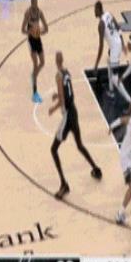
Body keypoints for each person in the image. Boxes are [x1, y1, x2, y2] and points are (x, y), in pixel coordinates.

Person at [48, 52, 102, 198]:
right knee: (79, 145)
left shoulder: (58, 75)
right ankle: (96, 169)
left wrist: (53, 108)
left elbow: (62, 100)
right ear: (62, 60)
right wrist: (57, 95)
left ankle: (64, 185)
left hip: (67, 116)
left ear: (56, 61)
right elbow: (68, 92)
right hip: (74, 112)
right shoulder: (67, 72)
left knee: (53, 149)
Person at [93, 0, 131, 103]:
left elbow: (101, 47)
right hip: (117, 43)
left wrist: (96, 64)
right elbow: (118, 28)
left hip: (115, 48)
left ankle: (130, 100)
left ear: (99, 9)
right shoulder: (109, 14)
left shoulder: (101, 24)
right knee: (108, 61)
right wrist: (122, 43)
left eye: (95, 9)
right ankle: (111, 91)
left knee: (115, 78)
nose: (94, 12)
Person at [21, 0, 48, 103]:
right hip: (31, 40)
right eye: (33, 3)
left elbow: (46, 29)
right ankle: (35, 93)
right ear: (31, 3)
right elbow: (22, 30)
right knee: (35, 64)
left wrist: (40, 32)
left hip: (38, 39)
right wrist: (30, 32)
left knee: (43, 62)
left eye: (36, 3)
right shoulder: (27, 13)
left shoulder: (40, 12)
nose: (35, 5)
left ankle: (33, 75)